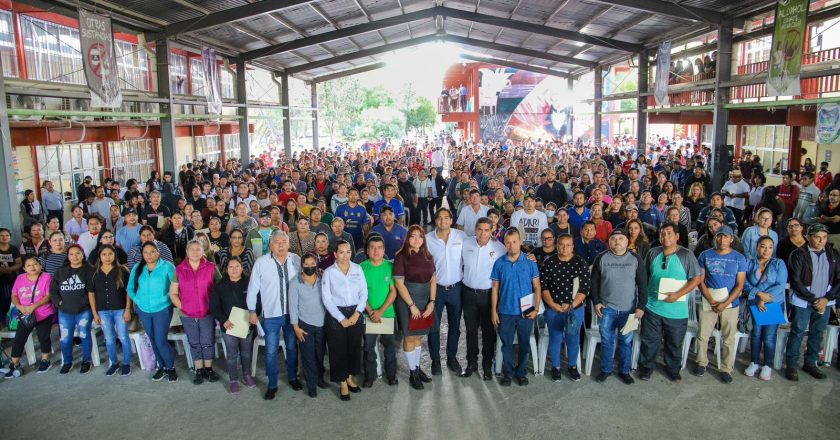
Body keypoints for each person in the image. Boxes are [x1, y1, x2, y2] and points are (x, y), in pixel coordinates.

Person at [638, 222, 703, 382]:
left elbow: (696, 279)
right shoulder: (653, 253)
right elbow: (644, 277)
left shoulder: (686, 255)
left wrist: (678, 294)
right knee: (649, 340)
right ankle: (647, 367)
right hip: (652, 307)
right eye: (662, 233)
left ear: (677, 236)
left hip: (676, 310)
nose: (665, 236)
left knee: (674, 342)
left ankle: (673, 368)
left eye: (669, 233)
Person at [247, 230, 302, 400]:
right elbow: (253, 288)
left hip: (292, 314)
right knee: (271, 351)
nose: (280, 245)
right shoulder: (261, 263)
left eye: (283, 242)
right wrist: (251, 310)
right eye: (276, 242)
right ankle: (272, 384)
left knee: (292, 347)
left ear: (288, 244)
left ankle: (293, 377)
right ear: (270, 245)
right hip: (271, 315)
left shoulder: (296, 260)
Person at [785, 223, 840, 381]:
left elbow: (838, 279)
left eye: (824, 237)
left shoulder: (833, 255)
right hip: (804, 302)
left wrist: (827, 299)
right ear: (808, 237)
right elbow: (795, 281)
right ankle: (791, 365)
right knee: (797, 332)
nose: (821, 241)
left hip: (825, 302)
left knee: (817, 333)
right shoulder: (798, 254)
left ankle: (810, 363)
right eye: (817, 237)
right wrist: (814, 299)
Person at [591, 229, 647, 384]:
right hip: (606, 310)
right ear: (609, 242)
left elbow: (643, 285)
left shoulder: (635, 259)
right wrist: (596, 302)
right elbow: (593, 283)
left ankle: (624, 370)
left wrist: (641, 307)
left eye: (621, 238)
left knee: (626, 341)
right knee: (607, 341)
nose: (617, 241)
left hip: (630, 311)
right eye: (614, 238)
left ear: (627, 241)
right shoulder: (601, 258)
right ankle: (606, 369)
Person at [694, 225, 748, 384]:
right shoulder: (705, 255)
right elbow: (700, 281)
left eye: (726, 237)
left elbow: (740, 284)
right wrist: (711, 300)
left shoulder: (739, 258)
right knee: (703, 335)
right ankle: (701, 363)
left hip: (730, 303)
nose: (722, 240)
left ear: (732, 239)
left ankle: (726, 368)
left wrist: (725, 303)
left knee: (728, 338)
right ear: (715, 237)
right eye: (719, 236)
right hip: (708, 300)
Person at [491, 228, 541, 386]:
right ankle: (507, 373)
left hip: (526, 312)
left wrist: (536, 308)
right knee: (506, 345)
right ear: (504, 243)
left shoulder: (530, 262)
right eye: (508, 242)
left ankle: (521, 372)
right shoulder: (499, 263)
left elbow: (537, 287)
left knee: (524, 343)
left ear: (520, 242)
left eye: (514, 242)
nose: (511, 245)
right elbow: (495, 289)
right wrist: (494, 311)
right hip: (505, 311)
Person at [459, 217, 506, 380]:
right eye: (480, 229)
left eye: (487, 230)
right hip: (469, 294)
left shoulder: (500, 248)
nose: (483, 233)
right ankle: (471, 363)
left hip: (488, 297)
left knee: (488, 332)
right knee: (470, 331)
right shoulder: (466, 244)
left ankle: (487, 366)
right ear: (475, 230)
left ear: (492, 230)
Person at [321, 240, 368, 401]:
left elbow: (364, 293)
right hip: (336, 315)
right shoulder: (329, 272)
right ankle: (342, 382)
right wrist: (341, 318)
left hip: (355, 312)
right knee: (338, 349)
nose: (345, 255)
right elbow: (327, 299)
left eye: (348, 252)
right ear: (335, 254)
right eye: (341, 252)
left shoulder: (357, 269)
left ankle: (349, 376)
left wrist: (357, 313)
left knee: (354, 347)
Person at [539, 234, 589, 381]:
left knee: (573, 338)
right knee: (555, 337)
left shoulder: (580, 263)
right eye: (561, 244)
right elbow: (544, 286)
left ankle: (572, 366)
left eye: (568, 245)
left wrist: (572, 305)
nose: (564, 248)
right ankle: (556, 367)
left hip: (575, 309)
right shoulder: (549, 263)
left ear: (573, 246)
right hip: (553, 309)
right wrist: (553, 304)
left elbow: (584, 289)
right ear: (557, 245)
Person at [393, 225, 437, 389]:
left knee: (419, 336)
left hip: (424, 300)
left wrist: (432, 302)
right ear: (408, 238)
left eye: (420, 236)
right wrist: (411, 305)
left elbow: (433, 280)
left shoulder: (428, 256)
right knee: (410, 337)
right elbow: (399, 283)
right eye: (413, 236)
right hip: (407, 300)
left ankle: (417, 368)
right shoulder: (401, 257)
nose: (417, 239)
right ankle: (412, 372)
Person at [127, 242, 178, 383]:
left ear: (158, 252)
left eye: (152, 251)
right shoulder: (138, 268)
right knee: (153, 340)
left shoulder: (168, 266)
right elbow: (130, 288)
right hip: (144, 310)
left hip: (162, 309)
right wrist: (138, 299)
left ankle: (171, 367)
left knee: (161, 340)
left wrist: (164, 298)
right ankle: (162, 367)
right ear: (142, 254)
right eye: (146, 252)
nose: (149, 255)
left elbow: (175, 288)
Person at [171, 240, 219, 385]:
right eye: (191, 249)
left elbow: (221, 289)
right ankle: (199, 370)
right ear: (186, 251)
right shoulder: (179, 269)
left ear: (203, 251)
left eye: (198, 249)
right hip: (187, 314)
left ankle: (209, 368)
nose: (195, 252)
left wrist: (214, 306)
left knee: (208, 341)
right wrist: (183, 307)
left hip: (207, 312)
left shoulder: (211, 267)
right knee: (194, 342)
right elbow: (173, 293)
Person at [425, 208, 465, 374]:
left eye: (446, 218)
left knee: (455, 325)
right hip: (436, 290)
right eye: (439, 218)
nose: (443, 221)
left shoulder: (461, 237)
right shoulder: (427, 240)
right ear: (436, 221)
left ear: (451, 220)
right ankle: (435, 360)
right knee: (433, 326)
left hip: (456, 288)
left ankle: (451, 357)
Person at [743, 236, 788, 381]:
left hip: (773, 304)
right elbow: (745, 282)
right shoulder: (750, 263)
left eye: (770, 247)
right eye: (763, 246)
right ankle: (754, 362)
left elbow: (780, 285)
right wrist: (758, 295)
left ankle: (767, 365)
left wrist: (763, 298)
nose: (766, 250)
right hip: (755, 303)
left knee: (769, 336)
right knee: (756, 334)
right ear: (757, 247)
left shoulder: (778, 263)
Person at [211, 257, 257, 395]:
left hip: (246, 324)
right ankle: (233, 380)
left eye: (237, 266)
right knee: (231, 354)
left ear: (242, 268)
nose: (234, 269)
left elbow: (258, 301)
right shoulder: (220, 285)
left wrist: (254, 315)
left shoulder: (250, 283)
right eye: (231, 267)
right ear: (226, 270)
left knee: (246, 351)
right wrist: (223, 320)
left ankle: (247, 375)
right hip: (228, 325)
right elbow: (214, 307)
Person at [4, 255, 55, 378]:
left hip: (44, 313)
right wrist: (19, 306)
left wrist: (34, 306)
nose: (32, 267)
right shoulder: (20, 278)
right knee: (19, 339)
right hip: (25, 314)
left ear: (40, 266)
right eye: (28, 265)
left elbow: (48, 296)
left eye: (35, 264)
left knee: (43, 337)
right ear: (24, 268)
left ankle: (45, 360)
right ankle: (15, 364)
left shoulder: (46, 277)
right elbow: (14, 295)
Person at [360, 235, 399, 387]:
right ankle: (370, 376)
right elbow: (359, 293)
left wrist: (381, 311)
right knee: (368, 347)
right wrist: (370, 311)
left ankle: (391, 375)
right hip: (368, 314)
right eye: (372, 248)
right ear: (367, 250)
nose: (376, 251)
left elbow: (393, 292)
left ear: (384, 250)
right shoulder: (362, 268)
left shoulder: (390, 266)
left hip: (387, 314)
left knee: (389, 346)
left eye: (379, 248)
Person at [88, 245, 133, 376]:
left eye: (110, 254)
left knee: (123, 337)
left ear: (114, 256)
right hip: (103, 311)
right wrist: (94, 313)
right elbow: (91, 294)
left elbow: (128, 292)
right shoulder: (94, 273)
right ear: (100, 257)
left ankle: (126, 363)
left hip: (120, 309)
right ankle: (113, 362)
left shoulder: (122, 270)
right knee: (109, 338)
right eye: (104, 254)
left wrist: (128, 309)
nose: (107, 257)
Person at [289, 253, 328, 398]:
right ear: (302, 266)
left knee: (319, 354)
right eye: (307, 264)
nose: (310, 267)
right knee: (308, 356)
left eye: (313, 264)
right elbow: (292, 306)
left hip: (322, 323)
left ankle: (320, 378)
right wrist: (295, 327)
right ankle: (311, 385)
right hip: (305, 325)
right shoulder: (295, 282)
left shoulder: (323, 279)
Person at [51, 244, 94, 374]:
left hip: (84, 311)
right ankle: (67, 362)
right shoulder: (61, 271)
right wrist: (58, 302)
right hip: (64, 312)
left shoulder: (90, 270)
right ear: (68, 256)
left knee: (85, 335)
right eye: (71, 254)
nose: (75, 256)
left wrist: (83, 302)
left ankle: (87, 361)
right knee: (65, 338)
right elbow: (53, 290)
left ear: (83, 254)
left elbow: (93, 291)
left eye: (78, 253)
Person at [0, 228, 22, 324]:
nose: (4, 237)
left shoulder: (14, 249)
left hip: (11, 280)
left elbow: (19, 263)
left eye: (7, 235)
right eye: (2, 235)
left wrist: (9, 269)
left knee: (10, 301)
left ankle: (10, 322)